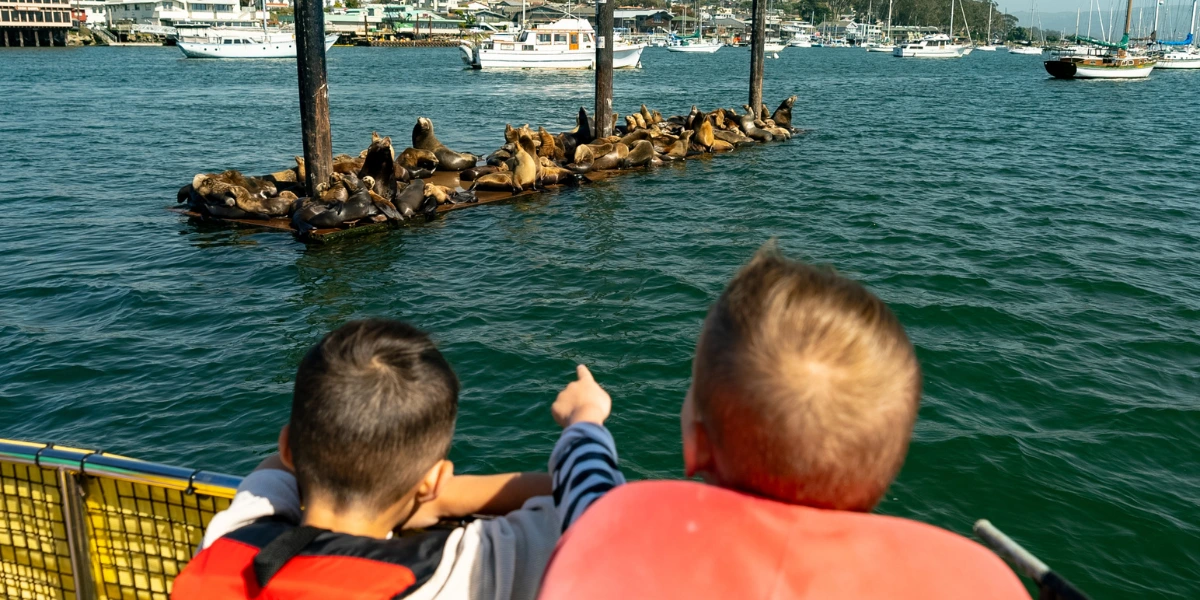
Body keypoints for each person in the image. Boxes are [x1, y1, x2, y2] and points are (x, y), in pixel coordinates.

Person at [537, 243, 1032, 600]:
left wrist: (587, 418)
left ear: (697, 444)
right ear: (888, 470)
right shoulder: (971, 583)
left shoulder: (621, 534)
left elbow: (589, 487)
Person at [172, 319, 623, 600]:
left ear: (290, 447)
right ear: (434, 480)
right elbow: (603, 517)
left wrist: (428, 491)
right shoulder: (459, 570)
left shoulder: (231, 544)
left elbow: (272, 473)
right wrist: (585, 420)